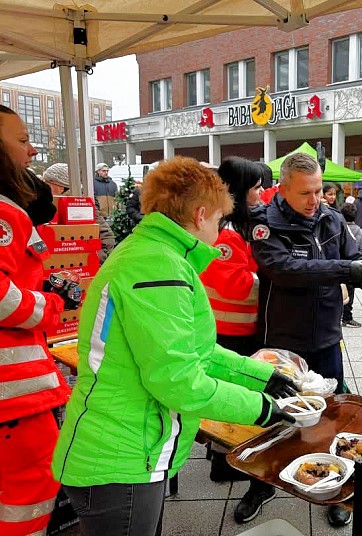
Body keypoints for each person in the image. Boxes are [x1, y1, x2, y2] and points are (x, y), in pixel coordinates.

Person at [51, 157, 297, 536]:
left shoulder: (156, 255)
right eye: (218, 220)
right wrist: (263, 411)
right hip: (121, 457)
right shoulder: (157, 267)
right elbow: (179, 380)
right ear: (200, 215)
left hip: (131, 449)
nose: (219, 230)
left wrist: (262, 377)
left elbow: (194, 350)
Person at [249, 152, 362, 527]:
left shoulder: (333, 218)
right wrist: (346, 268)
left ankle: (340, 485)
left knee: (334, 410)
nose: (316, 200)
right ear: (284, 188)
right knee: (274, 412)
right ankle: (261, 482)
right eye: (306, 193)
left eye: (320, 190)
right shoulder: (265, 224)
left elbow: (356, 263)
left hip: (326, 334)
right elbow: (284, 269)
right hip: (283, 338)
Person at [0, 105, 76, 536]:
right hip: (15, 397)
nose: (32, 150)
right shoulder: (6, 214)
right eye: (22, 139)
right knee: (29, 493)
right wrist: (48, 304)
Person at [200, 157, 275, 523]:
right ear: (241, 189)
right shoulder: (227, 232)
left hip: (241, 327)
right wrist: (272, 281)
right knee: (236, 393)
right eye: (256, 188)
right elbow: (232, 281)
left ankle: (227, 455)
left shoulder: (244, 226)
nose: (262, 194)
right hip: (232, 329)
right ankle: (229, 456)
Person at [43, 162, 116, 263]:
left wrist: (93, 259)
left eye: (47, 183)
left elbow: (107, 236)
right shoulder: (46, 205)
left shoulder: (81, 206)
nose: (43, 187)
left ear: (60, 187)